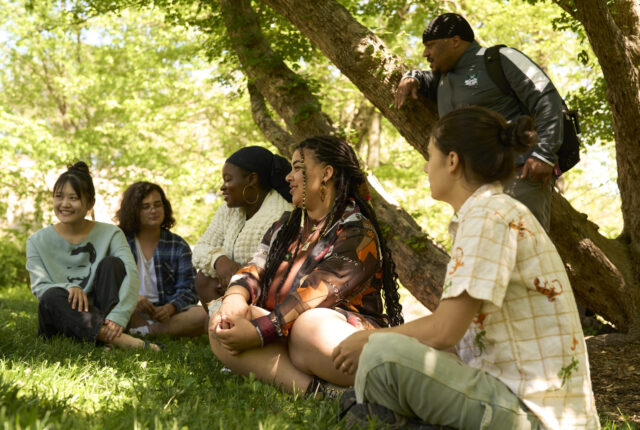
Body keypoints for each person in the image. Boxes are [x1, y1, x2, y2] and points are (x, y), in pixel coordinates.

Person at [333, 107, 599, 429]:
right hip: (511, 396)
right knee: (388, 364)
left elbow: (445, 331)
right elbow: (459, 341)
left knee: (382, 357)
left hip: (536, 414)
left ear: (453, 161)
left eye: (430, 156)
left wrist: (369, 340)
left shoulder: (489, 214)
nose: (426, 166)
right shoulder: (490, 212)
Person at [209, 136, 403, 397]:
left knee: (309, 324)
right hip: (285, 331)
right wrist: (235, 297)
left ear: (326, 174)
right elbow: (255, 267)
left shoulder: (357, 230)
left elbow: (314, 294)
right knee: (221, 320)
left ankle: (330, 382)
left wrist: (258, 332)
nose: (289, 177)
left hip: (336, 341)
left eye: (298, 168)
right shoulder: (285, 226)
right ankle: (319, 393)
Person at [394, 12, 564, 230]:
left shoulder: (499, 58)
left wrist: (545, 153)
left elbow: (546, 97)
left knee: (521, 252)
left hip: (518, 175)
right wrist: (411, 77)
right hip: (470, 186)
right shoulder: (443, 78)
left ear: (455, 41)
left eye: (431, 45)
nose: (425, 52)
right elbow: (425, 78)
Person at [26, 162, 161, 351]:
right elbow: (39, 286)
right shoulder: (36, 241)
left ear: (90, 203)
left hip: (108, 316)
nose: (64, 204)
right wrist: (68, 287)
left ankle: (105, 335)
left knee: (113, 264)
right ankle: (119, 341)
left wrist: (119, 316)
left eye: (73, 198)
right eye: (59, 197)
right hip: (61, 319)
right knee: (50, 296)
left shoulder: (111, 233)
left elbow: (131, 273)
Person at [192, 146, 292, 310]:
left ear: (252, 179)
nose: (222, 187)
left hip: (262, 292)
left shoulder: (280, 213)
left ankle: (235, 326)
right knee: (204, 277)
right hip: (229, 287)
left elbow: (272, 268)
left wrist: (239, 278)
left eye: (228, 179)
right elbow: (201, 248)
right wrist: (220, 261)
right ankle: (220, 322)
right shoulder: (228, 210)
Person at [115, 182, 207, 338]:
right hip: (130, 311)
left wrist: (170, 308)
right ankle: (154, 331)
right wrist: (133, 298)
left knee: (203, 314)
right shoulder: (120, 241)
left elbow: (190, 289)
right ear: (133, 211)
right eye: (145, 207)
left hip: (166, 315)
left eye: (157, 205)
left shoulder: (177, 245)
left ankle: (145, 332)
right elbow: (109, 281)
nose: (153, 210)